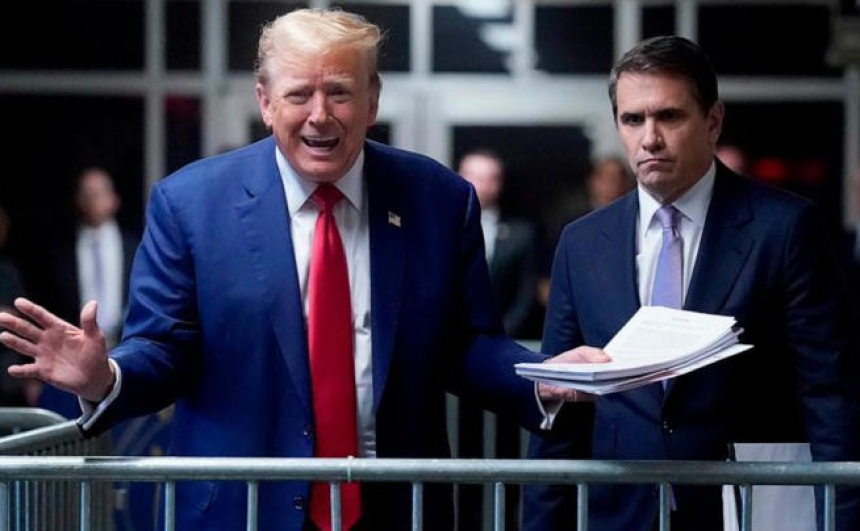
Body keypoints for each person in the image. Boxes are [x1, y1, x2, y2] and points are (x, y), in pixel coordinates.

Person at [0, 8, 580, 531]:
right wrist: (105, 377)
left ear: (372, 99)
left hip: (394, 508)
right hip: (240, 509)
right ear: (265, 101)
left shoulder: (439, 200)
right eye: (299, 93)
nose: (319, 116)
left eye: (340, 93)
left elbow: (468, 344)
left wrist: (543, 378)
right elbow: (164, 348)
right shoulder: (191, 205)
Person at [523, 35, 860, 531]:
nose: (649, 138)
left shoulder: (784, 228)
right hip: (622, 511)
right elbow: (561, 399)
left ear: (713, 121)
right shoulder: (582, 242)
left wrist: (844, 518)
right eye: (632, 119)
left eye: (669, 116)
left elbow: (829, 394)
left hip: (746, 509)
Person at [456, 148, 541, 530]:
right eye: (474, 176)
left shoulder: (521, 233)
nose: (482, 185)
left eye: (490, 177)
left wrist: (495, 341)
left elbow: (526, 295)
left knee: (506, 452)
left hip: (506, 361)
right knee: (463, 454)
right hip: (459, 365)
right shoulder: (443, 227)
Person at [36, 167, 139, 420]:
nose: (94, 200)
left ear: (115, 199)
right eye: (87, 194)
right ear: (78, 200)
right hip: (72, 361)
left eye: (100, 192)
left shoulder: (136, 246)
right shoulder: (59, 252)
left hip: (127, 356)